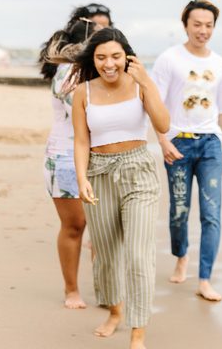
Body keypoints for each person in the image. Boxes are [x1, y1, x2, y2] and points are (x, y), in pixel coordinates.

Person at [71, 28, 170, 349]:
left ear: (126, 56)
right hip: (98, 173)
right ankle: (115, 311)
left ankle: (137, 330)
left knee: (139, 256)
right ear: (93, 59)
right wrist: (82, 178)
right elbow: (82, 140)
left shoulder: (140, 84)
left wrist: (147, 82)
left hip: (137, 171)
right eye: (101, 57)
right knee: (107, 254)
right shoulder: (83, 92)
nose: (108, 64)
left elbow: (164, 124)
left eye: (115, 56)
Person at [152, 0, 222, 302]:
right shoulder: (169, 59)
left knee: (212, 214)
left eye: (209, 25)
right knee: (179, 211)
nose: (203, 30)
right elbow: (155, 105)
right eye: (197, 24)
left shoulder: (221, 65)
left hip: (211, 142)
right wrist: (163, 140)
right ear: (185, 24)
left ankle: (205, 278)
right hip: (179, 143)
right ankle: (181, 255)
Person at [37, 16, 102, 310]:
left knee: (101, 229)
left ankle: (104, 289)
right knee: (75, 226)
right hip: (63, 158)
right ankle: (71, 290)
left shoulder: (94, 72)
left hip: (97, 157)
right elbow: (87, 113)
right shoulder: (68, 73)